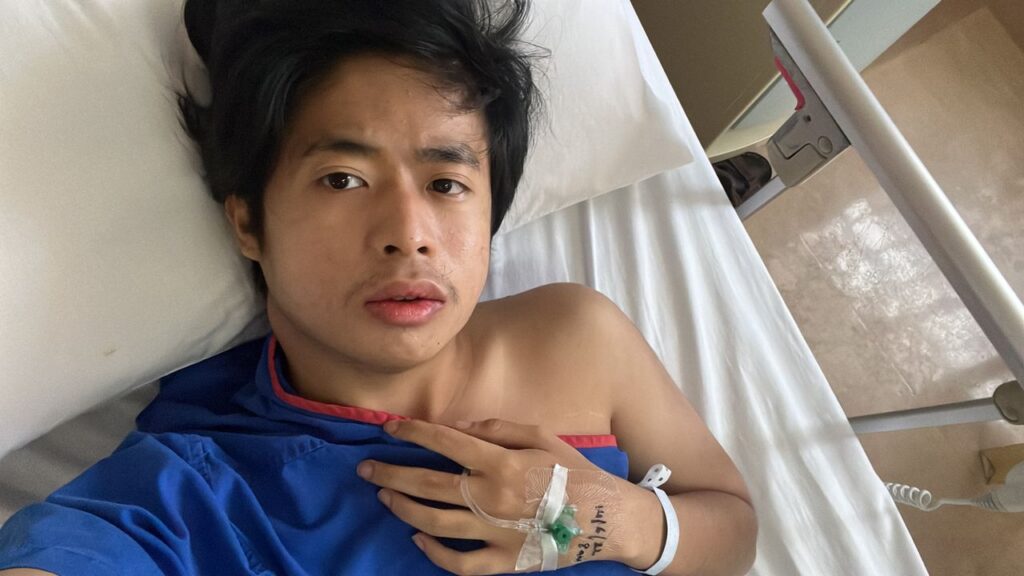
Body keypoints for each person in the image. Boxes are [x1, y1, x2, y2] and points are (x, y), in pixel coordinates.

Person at [0, 1, 757, 574]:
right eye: (343, 178)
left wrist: (613, 520)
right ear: (249, 223)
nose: (408, 232)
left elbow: (732, 527)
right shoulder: (200, 484)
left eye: (446, 183)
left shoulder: (576, 338)